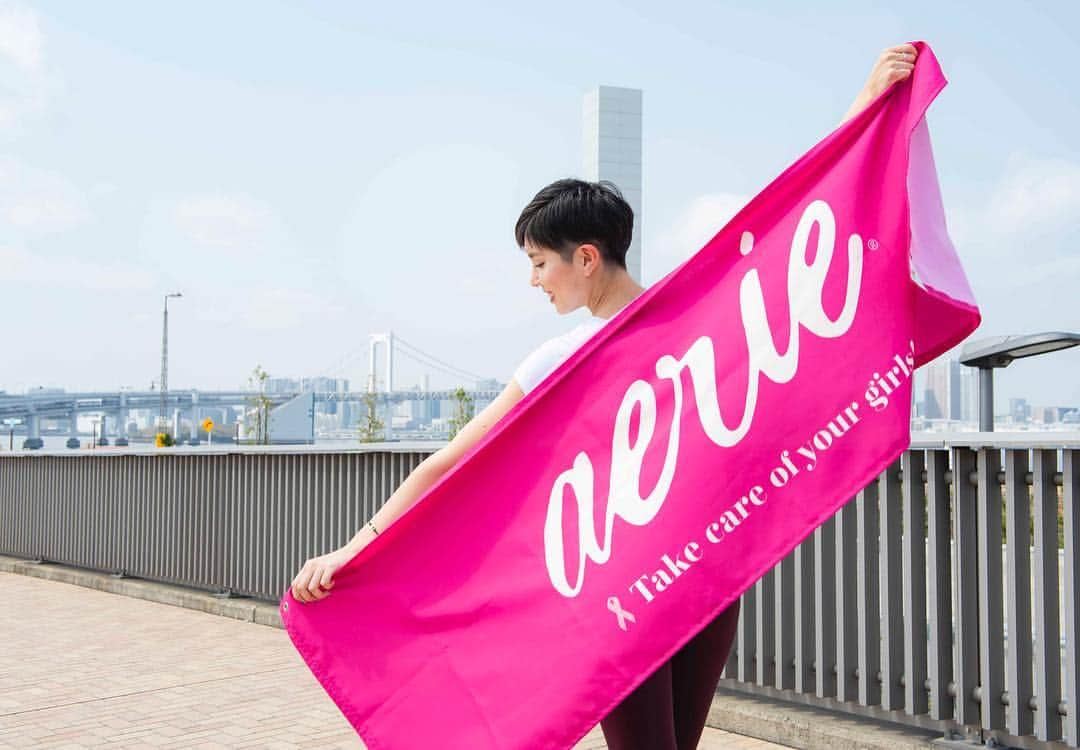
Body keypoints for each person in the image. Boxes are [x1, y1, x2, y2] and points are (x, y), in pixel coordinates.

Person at [290, 43, 919, 749]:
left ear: (586, 257)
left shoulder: (653, 329)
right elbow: (453, 465)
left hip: (679, 583)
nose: (534, 281)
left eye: (538, 262)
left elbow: (794, 240)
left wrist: (867, 114)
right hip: (647, 587)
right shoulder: (628, 337)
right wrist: (357, 549)